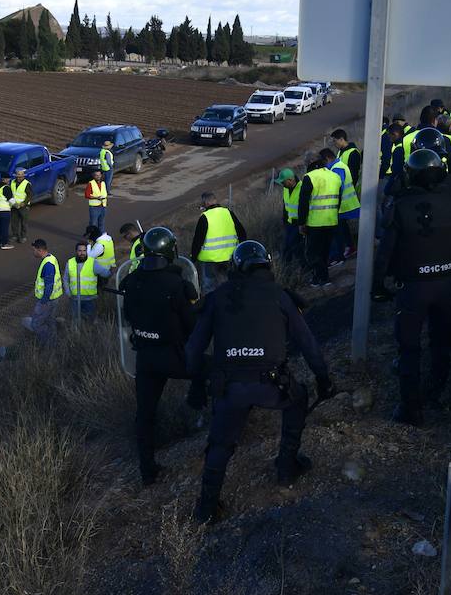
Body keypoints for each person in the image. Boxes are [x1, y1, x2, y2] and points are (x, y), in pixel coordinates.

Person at [185, 241, 334, 523]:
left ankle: (207, 508)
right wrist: (323, 378)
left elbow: (193, 350)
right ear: (267, 266)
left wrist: (196, 383)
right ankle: (286, 467)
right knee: (299, 398)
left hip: (229, 389)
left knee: (220, 445)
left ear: (236, 268)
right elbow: (307, 343)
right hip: (272, 386)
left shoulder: (217, 297)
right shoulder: (280, 296)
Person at [374, 149, 451, 424]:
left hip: (413, 289)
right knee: (440, 342)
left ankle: (411, 408)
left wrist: (378, 285)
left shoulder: (400, 206)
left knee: (408, 348)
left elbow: (384, 253)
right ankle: (436, 393)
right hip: (445, 286)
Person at [120, 227, 202, 485]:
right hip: (175, 355)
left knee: (144, 415)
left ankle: (147, 470)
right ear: (170, 252)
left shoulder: (130, 282)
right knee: (214, 370)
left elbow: (128, 318)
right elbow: (192, 327)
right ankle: (198, 409)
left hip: (145, 358)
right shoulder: (177, 284)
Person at [297, 162, 341, 288]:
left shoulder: (309, 177)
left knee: (313, 253)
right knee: (324, 251)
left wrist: (301, 222)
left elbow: (303, 202)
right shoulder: (335, 176)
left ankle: (322, 278)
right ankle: (320, 277)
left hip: (315, 223)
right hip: (332, 220)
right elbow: (339, 198)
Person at [191, 192, 245, 292]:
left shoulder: (204, 217)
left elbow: (198, 240)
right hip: (229, 258)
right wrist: (241, 251)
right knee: (229, 285)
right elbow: (242, 233)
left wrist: (193, 258)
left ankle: (211, 306)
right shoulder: (228, 213)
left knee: (209, 287)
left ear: (205, 203)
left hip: (210, 260)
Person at [26, 239, 63, 342]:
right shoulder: (51, 258)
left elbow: (49, 285)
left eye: (34, 250)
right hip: (53, 298)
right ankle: (53, 342)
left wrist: (43, 301)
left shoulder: (47, 265)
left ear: (40, 250)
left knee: (35, 324)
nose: (33, 252)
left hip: (47, 300)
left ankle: (48, 342)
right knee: (50, 321)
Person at [276, 168, 304, 266]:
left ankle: (304, 269)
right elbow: (285, 205)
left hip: (300, 224)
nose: (282, 185)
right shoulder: (286, 189)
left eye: (283, 182)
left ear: (290, 180)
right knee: (287, 247)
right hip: (289, 223)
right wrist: (284, 220)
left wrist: (303, 223)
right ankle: (286, 269)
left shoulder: (302, 188)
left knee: (296, 247)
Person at [66, 241, 99, 321]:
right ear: (76, 251)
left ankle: (88, 332)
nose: (82, 253)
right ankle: (77, 333)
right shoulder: (70, 262)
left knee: (90, 319)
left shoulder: (93, 262)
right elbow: (66, 279)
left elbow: (105, 273)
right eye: (80, 251)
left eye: (84, 251)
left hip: (90, 299)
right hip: (75, 298)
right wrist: (68, 292)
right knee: (76, 320)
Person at [3, 167, 32, 246]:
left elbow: (29, 195)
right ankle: (15, 235)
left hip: (23, 206)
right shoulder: (12, 182)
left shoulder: (27, 184)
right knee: (14, 221)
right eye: (18, 176)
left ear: (23, 176)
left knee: (23, 222)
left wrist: (24, 203)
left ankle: (23, 236)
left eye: (21, 176)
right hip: (14, 206)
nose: (19, 178)